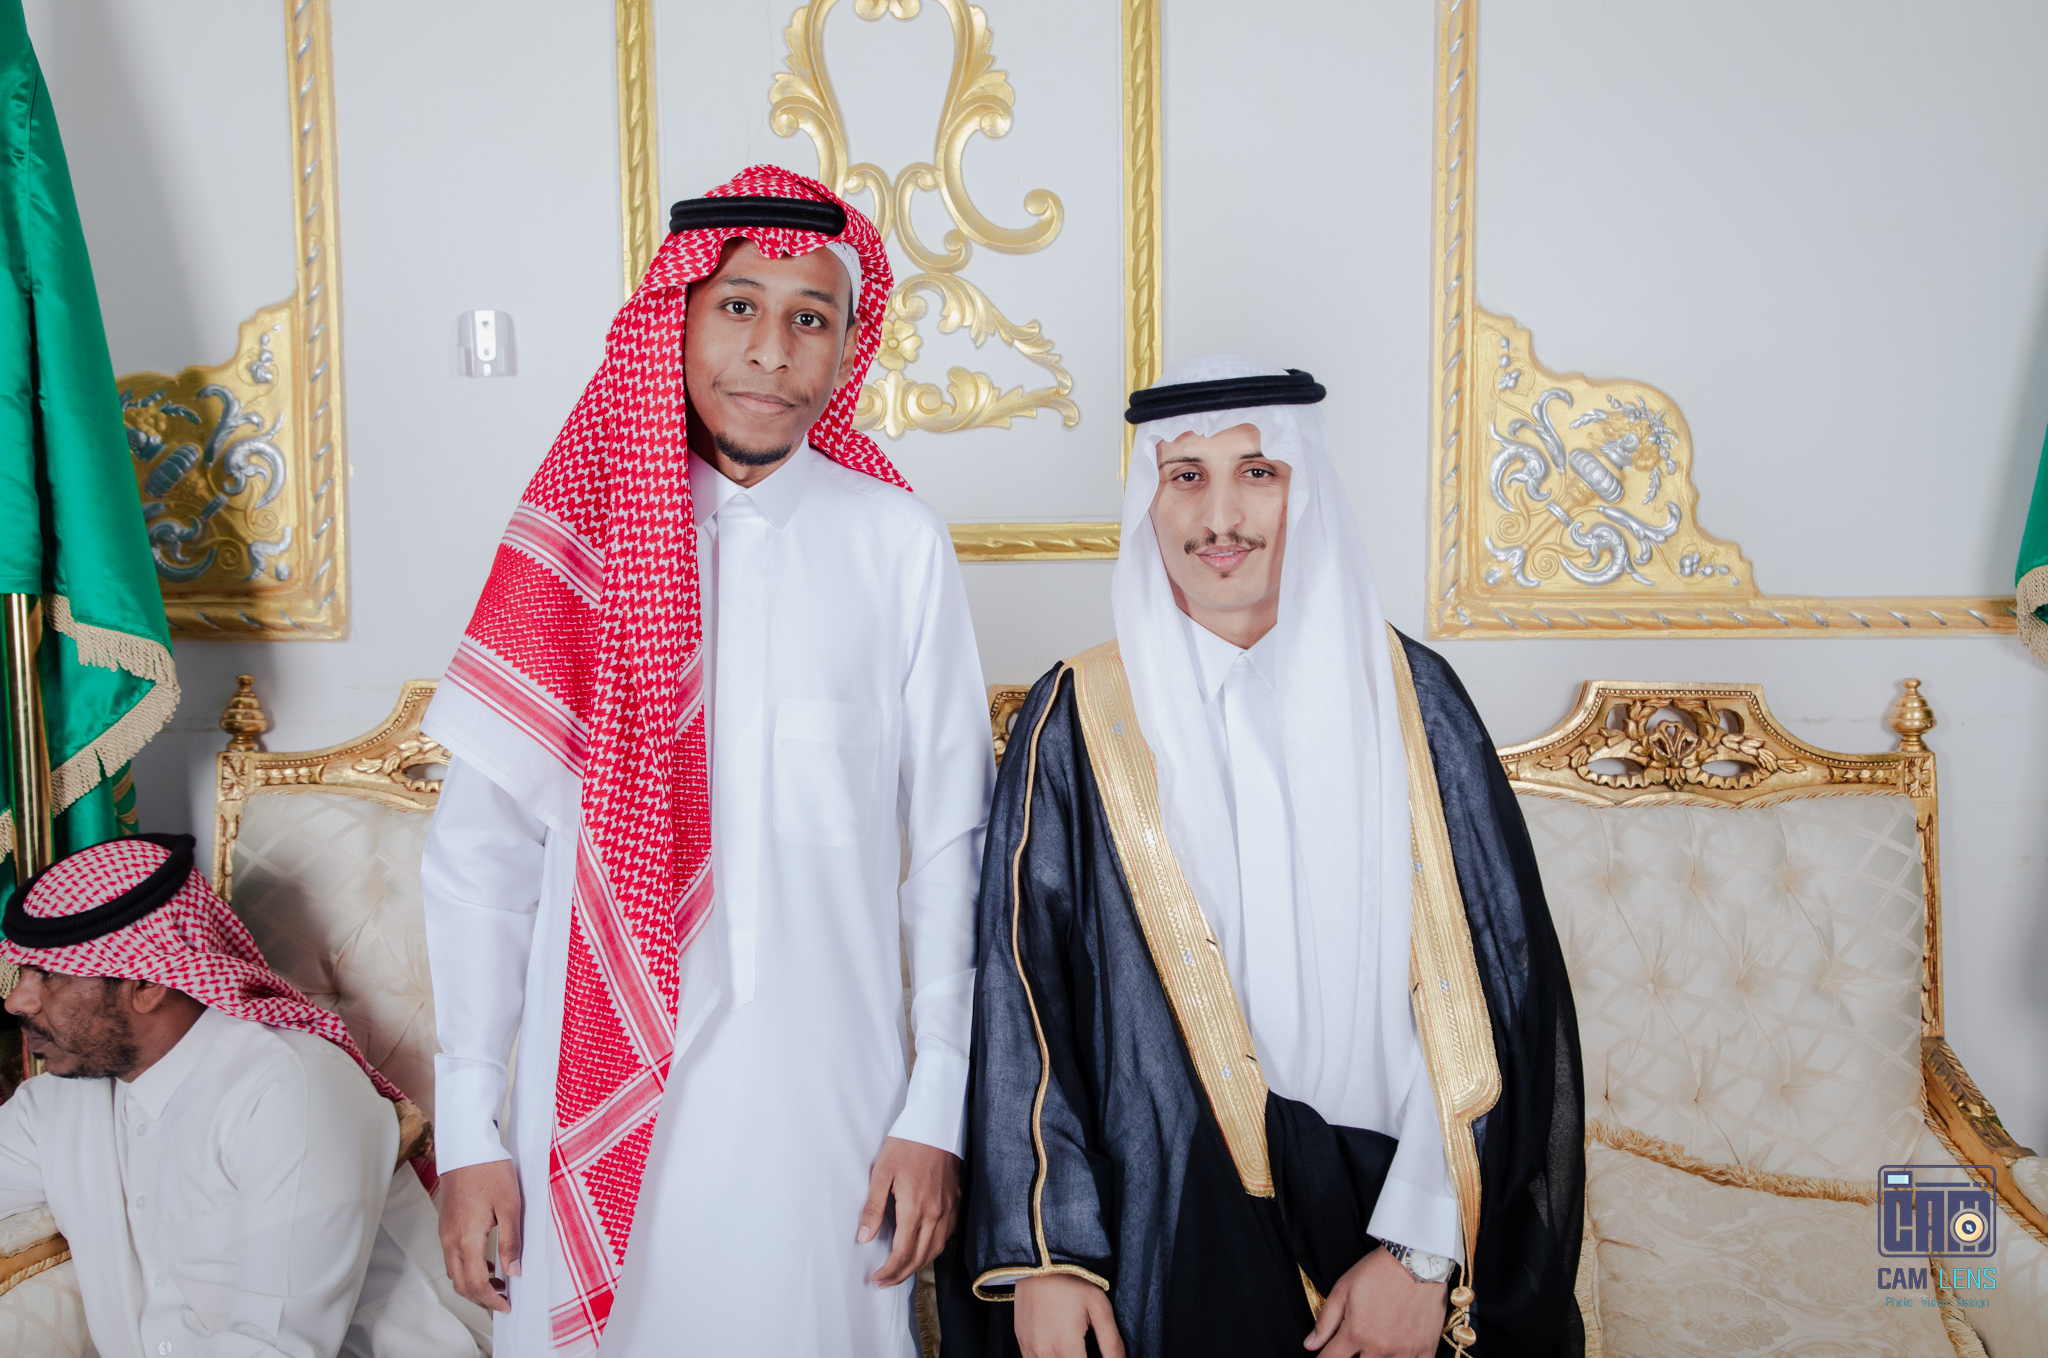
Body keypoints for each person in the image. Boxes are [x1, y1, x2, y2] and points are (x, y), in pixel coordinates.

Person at [421, 165, 993, 1357]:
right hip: (592, 1091)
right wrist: (470, 1129)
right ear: (674, 320)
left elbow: (951, 848)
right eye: (737, 306)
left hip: (826, 1103)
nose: (771, 351)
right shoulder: (578, 547)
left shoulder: (896, 544)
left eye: (809, 317)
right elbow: (481, 860)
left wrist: (935, 1104)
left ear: (845, 346)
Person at [940, 357, 1585, 1358]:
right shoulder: (1079, 716)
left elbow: (1504, 984)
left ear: (1306, 489)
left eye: (1257, 473)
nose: (1220, 518)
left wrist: (1421, 1251)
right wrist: (1048, 1254)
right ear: (1149, 502)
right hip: (1167, 1223)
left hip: (1402, 1216)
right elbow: (1025, 994)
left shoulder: (1414, 699)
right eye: (1185, 476)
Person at [0, 833, 483, 1358]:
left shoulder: (292, 1089)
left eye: (48, 976)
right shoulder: (54, 1105)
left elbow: (276, 1347)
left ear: (146, 984)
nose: (17, 1001)